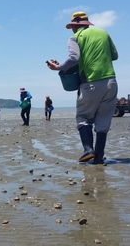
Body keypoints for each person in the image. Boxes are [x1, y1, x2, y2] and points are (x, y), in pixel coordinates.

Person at [46, 11, 118, 164]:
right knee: (103, 121)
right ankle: (98, 157)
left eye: (72, 26)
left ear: (75, 25)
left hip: (90, 83)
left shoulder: (75, 37)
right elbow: (115, 56)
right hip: (111, 82)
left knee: (83, 118)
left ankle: (88, 149)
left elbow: (74, 58)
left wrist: (57, 67)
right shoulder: (103, 33)